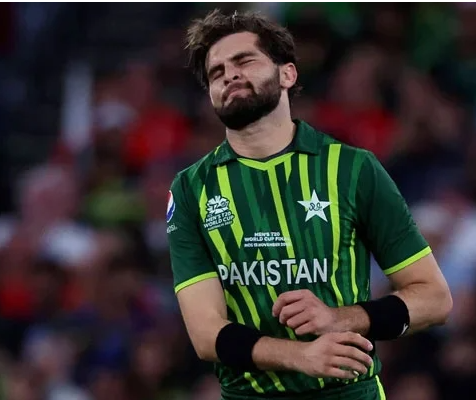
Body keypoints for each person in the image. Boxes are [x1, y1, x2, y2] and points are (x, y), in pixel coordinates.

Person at [167, 9, 453, 400]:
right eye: (216, 73)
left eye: (244, 60)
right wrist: (301, 355)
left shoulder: (353, 169)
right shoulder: (189, 190)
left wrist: (342, 319)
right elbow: (205, 334)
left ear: (288, 74)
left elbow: (434, 298)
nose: (229, 74)